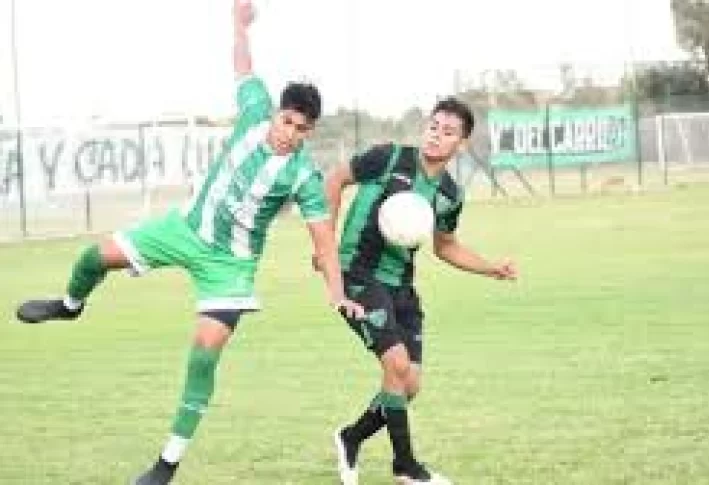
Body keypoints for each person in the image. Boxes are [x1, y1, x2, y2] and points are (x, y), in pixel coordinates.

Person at [14, 1, 363, 484]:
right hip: (184, 230)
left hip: (230, 267)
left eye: (302, 130)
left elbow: (324, 241)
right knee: (92, 256)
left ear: (311, 131)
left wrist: (337, 292)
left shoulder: (303, 174)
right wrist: (238, 22)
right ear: (277, 113)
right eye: (287, 122)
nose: (291, 134)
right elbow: (242, 60)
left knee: (204, 352)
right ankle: (70, 304)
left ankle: (166, 465)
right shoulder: (255, 107)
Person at [322, 97, 518, 485]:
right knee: (395, 366)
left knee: (408, 384)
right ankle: (406, 468)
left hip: (401, 287)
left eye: (448, 132)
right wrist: (324, 245)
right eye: (433, 126)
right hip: (357, 275)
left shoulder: (448, 193)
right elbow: (334, 179)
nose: (436, 135)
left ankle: (350, 437)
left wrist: (490, 268)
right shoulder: (389, 158)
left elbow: (445, 246)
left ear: (460, 144)